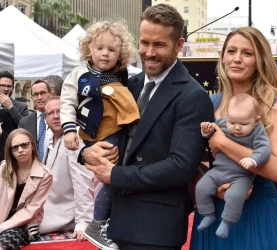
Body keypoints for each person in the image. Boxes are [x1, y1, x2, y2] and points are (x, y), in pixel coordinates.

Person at [82, 4, 213, 250]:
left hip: (156, 230)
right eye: (144, 43)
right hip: (114, 225)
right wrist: (86, 152)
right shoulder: (128, 84)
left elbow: (181, 166)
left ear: (179, 45)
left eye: (159, 45)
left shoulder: (193, 95)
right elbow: (101, 131)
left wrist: (116, 175)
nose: (149, 53)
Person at [190, 27, 277, 250]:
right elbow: (191, 162)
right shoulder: (208, 104)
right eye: (231, 51)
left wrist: (223, 144)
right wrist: (212, 187)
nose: (237, 59)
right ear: (223, 57)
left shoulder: (274, 106)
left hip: (259, 213)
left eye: (247, 53)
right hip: (213, 212)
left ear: (260, 61)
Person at [60, 20, 140, 249]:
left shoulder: (124, 77)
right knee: (109, 178)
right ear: (89, 49)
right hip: (87, 134)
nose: (105, 54)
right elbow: (66, 103)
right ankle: (97, 223)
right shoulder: (78, 75)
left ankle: (105, 222)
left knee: (114, 178)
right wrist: (68, 129)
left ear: (121, 54)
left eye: (112, 49)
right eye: (100, 48)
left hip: (116, 134)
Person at [196, 93, 271, 239]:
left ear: (256, 121)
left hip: (241, 176)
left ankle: (226, 222)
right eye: (232, 122)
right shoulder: (223, 123)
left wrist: (253, 160)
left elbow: (265, 149)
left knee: (234, 196)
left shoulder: (257, 130)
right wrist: (206, 131)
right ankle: (208, 214)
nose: (237, 127)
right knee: (201, 187)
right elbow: (211, 135)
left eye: (243, 124)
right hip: (218, 171)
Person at [39, 97, 95, 241]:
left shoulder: (75, 137)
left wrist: (83, 223)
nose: (56, 116)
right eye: (51, 113)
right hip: (50, 209)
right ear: (45, 119)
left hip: (65, 216)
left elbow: (82, 182)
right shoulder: (50, 139)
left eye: (60, 111)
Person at [0, 128, 52, 250]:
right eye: (15, 147)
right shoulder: (3, 168)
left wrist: (2, 226)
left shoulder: (45, 174)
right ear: (10, 151)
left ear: (32, 146)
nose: (20, 150)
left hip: (24, 225)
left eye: (24, 145)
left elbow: (31, 210)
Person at [18, 80, 54, 161]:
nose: (40, 97)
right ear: (32, 98)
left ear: (51, 94)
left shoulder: (61, 119)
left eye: (43, 93)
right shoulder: (24, 123)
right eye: (35, 94)